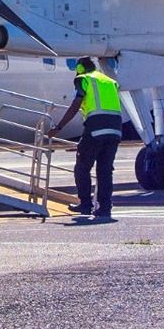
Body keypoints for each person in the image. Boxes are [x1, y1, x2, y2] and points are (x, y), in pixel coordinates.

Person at [51, 58, 124, 221]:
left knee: (82, 166)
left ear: (80, 68)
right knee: (105, 170)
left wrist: (59, 127)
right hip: (115, 129)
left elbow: (76, 104)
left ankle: (85, 204)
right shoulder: (110, 81)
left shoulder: (83, 79)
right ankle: (105, 208)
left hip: (96, 127)